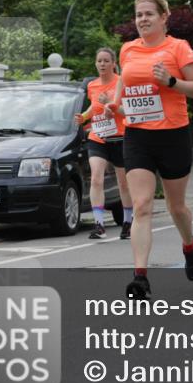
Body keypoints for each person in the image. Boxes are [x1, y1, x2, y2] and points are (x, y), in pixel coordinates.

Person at [109, 0, 193, 300]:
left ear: (164, 18)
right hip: (137, 135)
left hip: (173, 134)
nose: (143, 20)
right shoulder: (127, 50)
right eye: (139, 15)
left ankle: (189, 244)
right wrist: (116, 103)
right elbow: (125, 82)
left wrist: (171, 82)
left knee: (176, 207)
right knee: (141, 206)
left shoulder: (178, 48)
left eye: (149, 14)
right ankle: (140, 277)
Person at [74, 47, 134, 240]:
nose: (102, 64)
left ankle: (127, 222)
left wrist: (111, 103)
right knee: (96, 179)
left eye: (106, 61)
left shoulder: (121, 83)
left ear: (113, 64)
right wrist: (83, 116)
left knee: (123, 184)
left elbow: (128, 111)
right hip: (98, 137)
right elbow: (94, 106)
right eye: (99, 61)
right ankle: (99, 225)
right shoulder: (92, 85)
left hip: (119, 137)